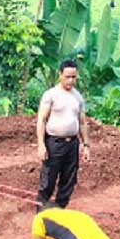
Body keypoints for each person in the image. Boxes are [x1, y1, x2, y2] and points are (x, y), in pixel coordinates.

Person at [36, 59, 92, 209]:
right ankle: (41, 215)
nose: (71, 80)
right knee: (48, 180)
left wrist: (86, 145)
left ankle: (60, 212)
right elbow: (41, 120)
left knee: (68, 181)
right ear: (60, 75)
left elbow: (82, 122)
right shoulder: (51, 95)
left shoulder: (77, 97)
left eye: (73, 77)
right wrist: (41, 145)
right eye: (67, 77)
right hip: (54, 144)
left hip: (72, 145)